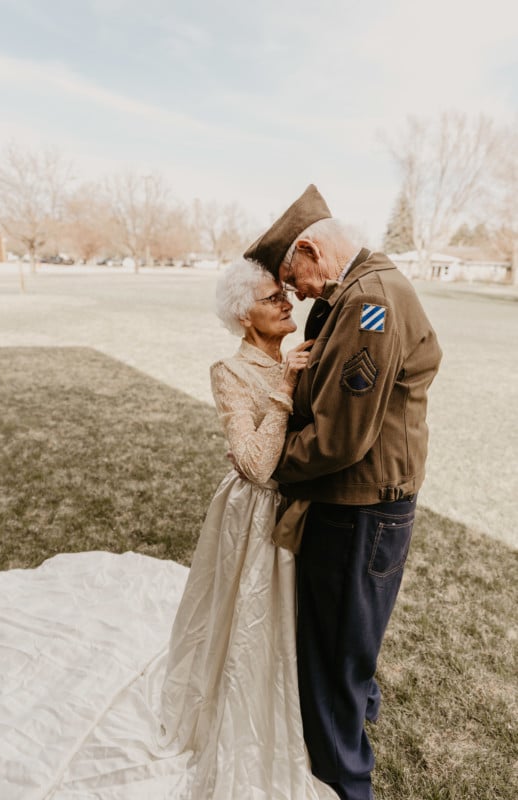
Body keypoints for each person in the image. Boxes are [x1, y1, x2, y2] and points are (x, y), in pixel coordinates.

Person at [243, 185, 443, 800]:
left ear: (309, 249)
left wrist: (267, 464)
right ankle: (357, 714)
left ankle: (344, 783)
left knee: (331, 656)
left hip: (358, 508)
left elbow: (339, 438)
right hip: (368, 503)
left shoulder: (368, 302)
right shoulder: (354, 291)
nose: (294, 292)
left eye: (290, 277)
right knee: (352, 637)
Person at [159, 258, 337, 800]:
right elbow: (257, 466)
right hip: (252, 513)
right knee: (249, 615)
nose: (287, 301)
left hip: (293, 507)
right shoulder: (229, 372)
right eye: (271, 297)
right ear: (244, 317)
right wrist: (286, 387)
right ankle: (243, 711)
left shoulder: (292, 357)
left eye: (285, 292)